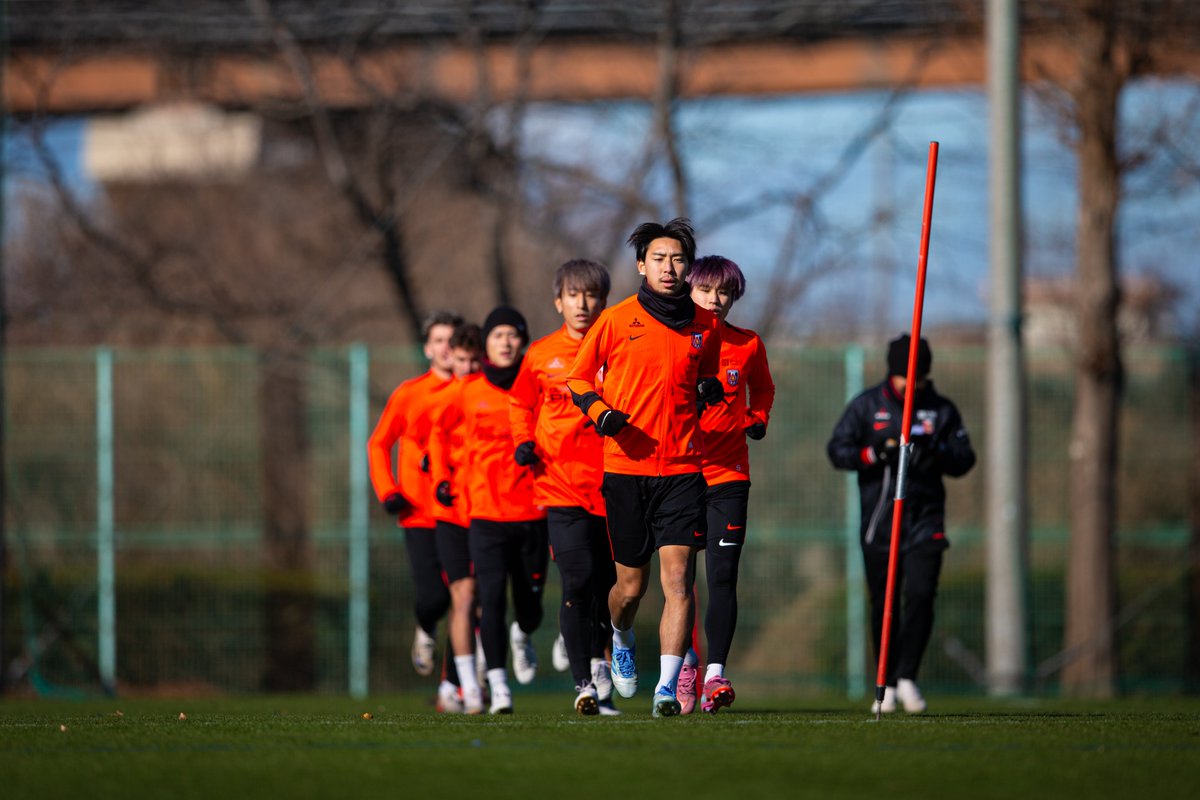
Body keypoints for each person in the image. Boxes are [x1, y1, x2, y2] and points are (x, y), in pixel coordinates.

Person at [565, 218, 723, 718]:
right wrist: (601, 413)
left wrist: (710, 390)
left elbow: (712, 376)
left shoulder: (706, 326)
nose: (669, 268)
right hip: (626, 469)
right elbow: (577, 378)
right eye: (659, 259)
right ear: (641, 266)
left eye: (677, 260)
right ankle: (621, 635)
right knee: (630, 588)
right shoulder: (615, 320)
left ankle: (666, 688)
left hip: (682, 469)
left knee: (678, 582)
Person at [826, 334, 975, 714]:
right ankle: (886, 681)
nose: (911, 385)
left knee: (923, 595)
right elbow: (838, 450)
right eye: (905, 377)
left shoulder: (941, 410)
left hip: (926, 520)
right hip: (880, 524)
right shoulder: (867, 406)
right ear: (892, 373)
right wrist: (875, 452)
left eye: (919, 377)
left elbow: (964, 458)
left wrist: (934, 452)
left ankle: (908, 675)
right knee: (885, 602)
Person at [510, 258, 621, 716]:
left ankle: (601, 664)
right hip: (560, 488)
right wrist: (523, 441)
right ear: (558, 301)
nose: (582, 303)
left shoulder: (618, 350)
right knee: (575, 581)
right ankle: (586, 684)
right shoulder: (540, 354)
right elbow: (519, 403)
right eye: (573, 294)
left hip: (616, 486)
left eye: (591, 294)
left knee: (609, 589)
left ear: (603, 301)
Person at [431, 306, 547, 714]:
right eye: (497, 335)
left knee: (531, 607)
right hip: (484, 514)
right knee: (491, 599)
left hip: (533, 512)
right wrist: (441, 477)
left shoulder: (539, 386)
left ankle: (524, 632)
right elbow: (437, 433)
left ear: (523, 342)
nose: (505, 342)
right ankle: (498, 687)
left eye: (513, 335)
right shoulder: (467, 390)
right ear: (486, 344)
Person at [678, 255, 775, 714]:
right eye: (706, 291)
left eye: (725, 293)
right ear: (689, 291)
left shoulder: (748, 344)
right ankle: (684, 663)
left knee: (721, 575)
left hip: (729, 476)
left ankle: (715, 675)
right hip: (676, 473)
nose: (715, 300)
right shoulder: (673, 341)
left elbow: (765, 389)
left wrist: (757, 418)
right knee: (677, 578)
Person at [367, 310, 462, 696]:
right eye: (438, 340)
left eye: (453, 341)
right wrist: (388, 490)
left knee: (464, 599)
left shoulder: (471, 392)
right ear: (427, 348)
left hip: (460, 511)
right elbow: (378, 444)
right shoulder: (409, 393)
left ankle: (455, 685)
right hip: (418, 513)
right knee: (434, 597)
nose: (446, 348)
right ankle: (425, 629)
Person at [429, 322, 486, 713]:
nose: (466, 367)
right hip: (451, 513)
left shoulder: (491, 395)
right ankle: (466, 687)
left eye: (472, 360)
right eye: (461, 360)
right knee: (462, 598)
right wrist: (440, 477)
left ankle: (465, 679)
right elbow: (435, 438)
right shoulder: (448, 397)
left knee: (483, 601)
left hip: (486, 510)